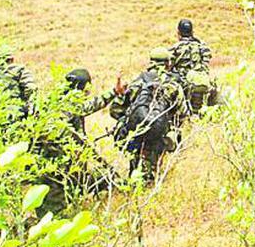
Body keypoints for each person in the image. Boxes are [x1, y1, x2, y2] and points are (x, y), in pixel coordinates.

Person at [32, 68, 118, 214]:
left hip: (45, 163)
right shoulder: (69, 106)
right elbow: (76, 138)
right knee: (58, 205)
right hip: (60, 164)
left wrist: (114, 92)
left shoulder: (54, 101)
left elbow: (89, 106)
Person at [104, 48, 186, 183]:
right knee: (154, 159)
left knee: (135, 159)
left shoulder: (138, 82)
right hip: (159, 133)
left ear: (151, 62)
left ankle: (134, 179)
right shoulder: (173, 84)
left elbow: (115, 110)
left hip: (136, 132)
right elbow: (182, 114)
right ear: (168, 63)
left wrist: (131, 117)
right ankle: (150, 179)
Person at [0, 48, 38, 148]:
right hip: (16, 117)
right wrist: (32, 113)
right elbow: (31, 90)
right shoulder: (18, 70)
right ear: (11, 59)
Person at [169, 19, 216, 113]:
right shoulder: (202, 46)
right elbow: (206, 62)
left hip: (183, 83)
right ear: (192, 32)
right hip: (201, 81)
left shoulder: (175, 48)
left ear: (178, 33)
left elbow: (169, 66)